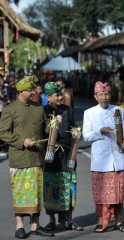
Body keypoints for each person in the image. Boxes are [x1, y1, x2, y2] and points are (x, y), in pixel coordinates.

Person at [0, 75, 54, 238]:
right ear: (22, 91)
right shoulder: (10, 109)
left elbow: (45, 131)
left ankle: (35, 226)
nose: (34, 91)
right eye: (30, 89)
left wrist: (53, 126)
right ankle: (20, 226)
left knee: (36, 193)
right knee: (21, 194)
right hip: (20, 159)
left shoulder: (39, 108)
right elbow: (3, 133)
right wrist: (23, 141)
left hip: (37, 158)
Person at [82, 81, 124, 233]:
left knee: (118, 192)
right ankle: (101, 221)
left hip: (117, 158)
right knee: (101, 194)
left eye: (107, 94)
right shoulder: (89, 113)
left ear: (110, 95)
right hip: (101, 161)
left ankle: (119, 221)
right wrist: (100, 131)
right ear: (95, 97)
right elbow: (86, 136)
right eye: (101, 94)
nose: (104, 97)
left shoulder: (119, 110)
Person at [42, 82, 83, 232]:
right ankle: (52, 220)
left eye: (60, 94)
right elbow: (41, 132)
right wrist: (52, 125)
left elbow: (72, 125)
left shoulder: (67, 110)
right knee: (51, 188)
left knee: (69, 186)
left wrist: (76, 132)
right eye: (56, 95)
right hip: (51, 156)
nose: (60, 97)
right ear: (48, 97)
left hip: (67, 154)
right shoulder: (43, 111)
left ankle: (69, 219)